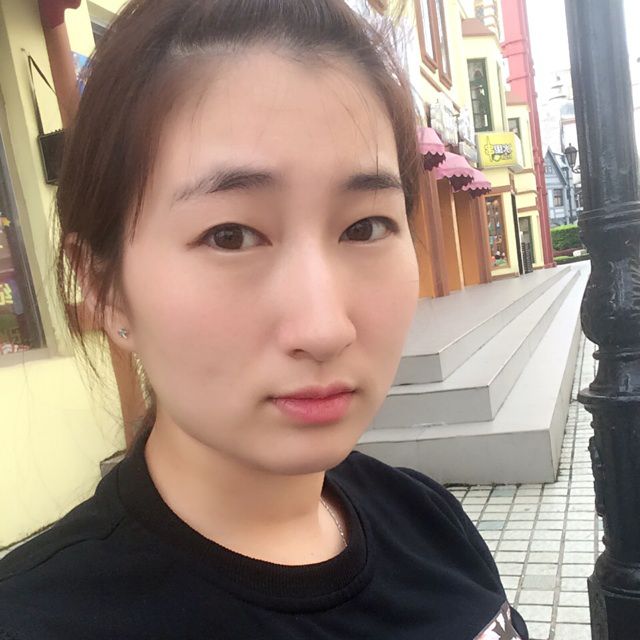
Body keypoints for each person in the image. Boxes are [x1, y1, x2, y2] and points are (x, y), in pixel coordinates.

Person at [0, 1, 529, 638]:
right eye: (230, 235)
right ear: (105, 288)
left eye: (366, 227)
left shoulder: (429, 518)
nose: (324, 328)